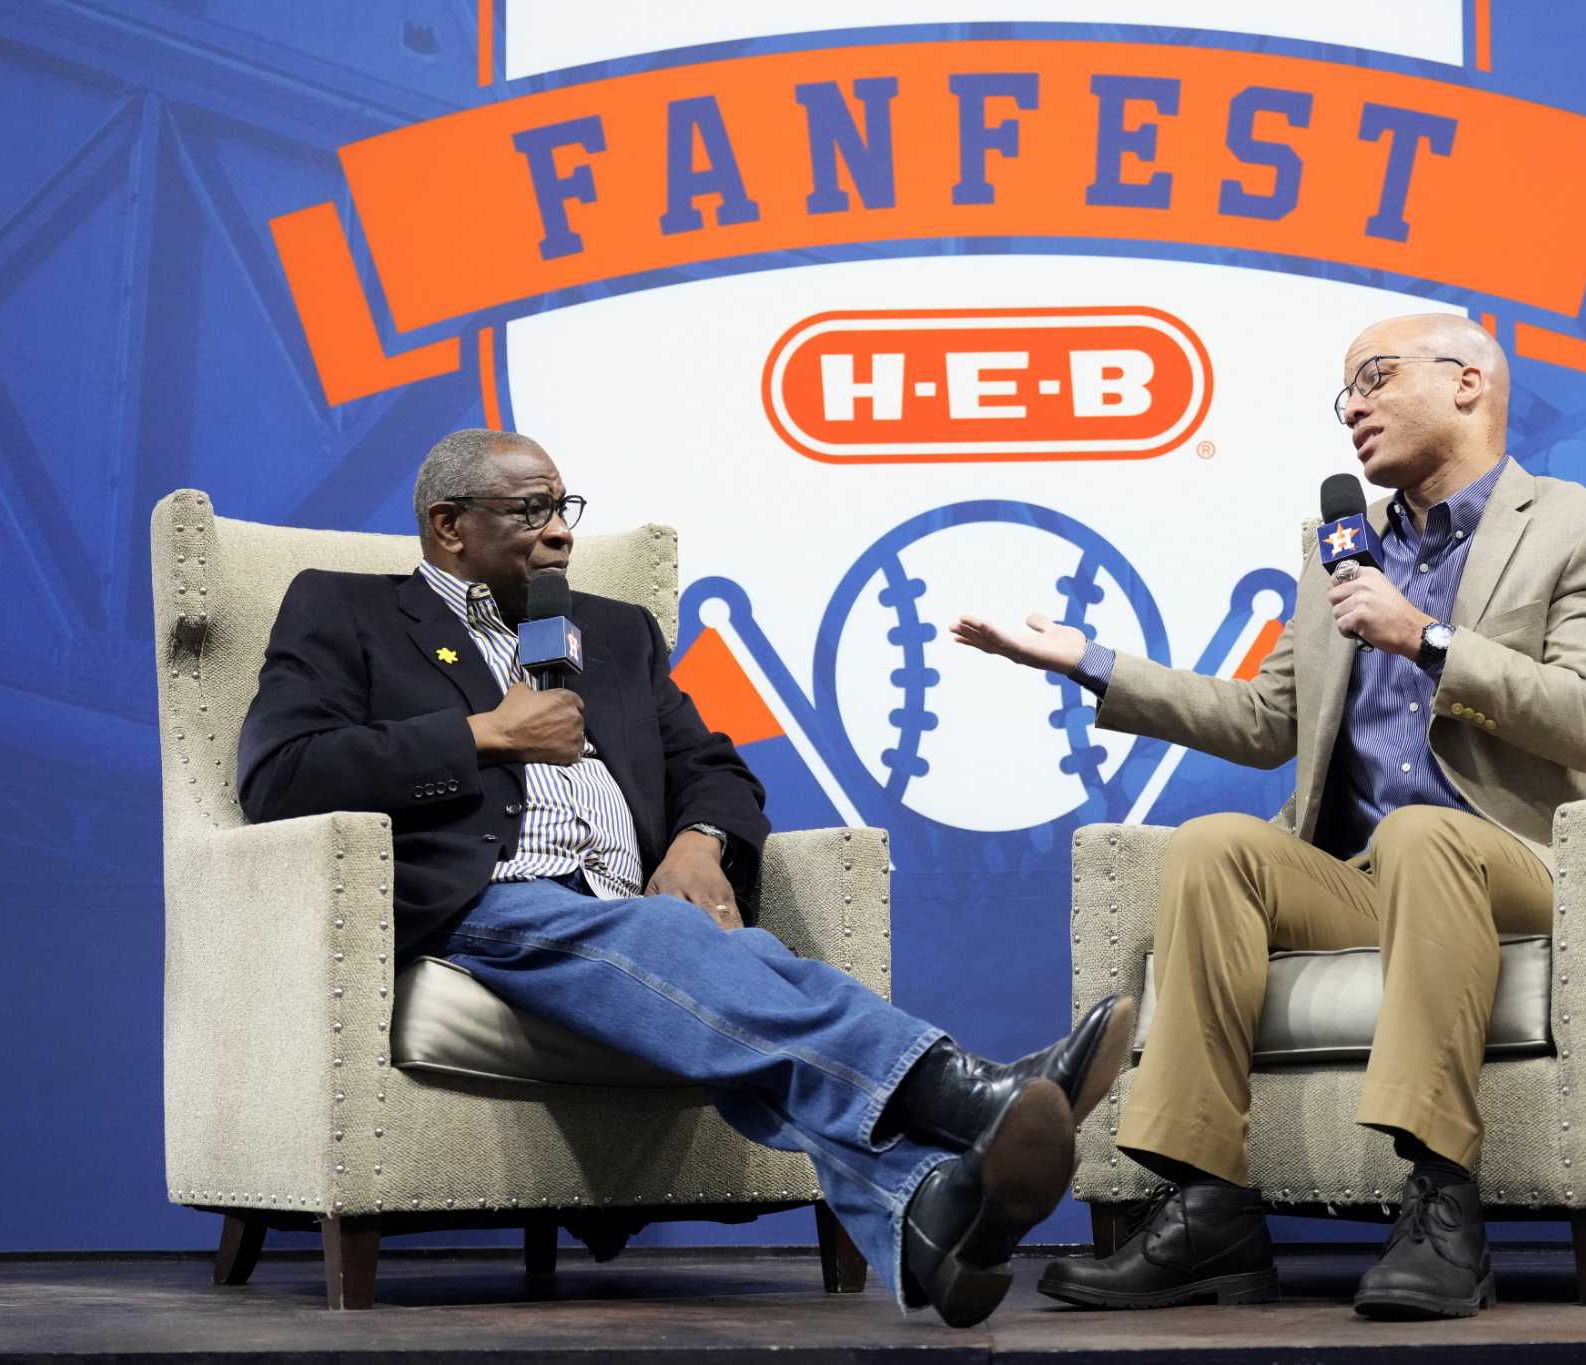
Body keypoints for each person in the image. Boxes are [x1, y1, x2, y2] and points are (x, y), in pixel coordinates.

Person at [237, 428, 1134, 1328]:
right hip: (483, 899)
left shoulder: (615, 633)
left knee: (757, 966)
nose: (560, 534)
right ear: (449, 525)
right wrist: (484, 735)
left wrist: (699, 841)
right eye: (531, 511)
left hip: (625, 904)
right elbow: (280, 772)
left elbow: (717, 769)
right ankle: (967, 1091)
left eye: (564, 510)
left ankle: (924, 1211)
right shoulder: (345, 610)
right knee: (687, 945)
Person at [952, 314, 1586, 1319]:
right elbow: (1262, 720)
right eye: (1344, 395)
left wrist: (1425, 638)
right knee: (1214, 846)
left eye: (1374, 379)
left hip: (1513, 866)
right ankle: (1208, 1211)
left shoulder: (1585, 527)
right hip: (1370, 882)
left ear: (1468, 383)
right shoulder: (1341, 552)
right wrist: (1086, 662)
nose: (1353, 409)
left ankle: (1443, 1205)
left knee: (1422, 835)